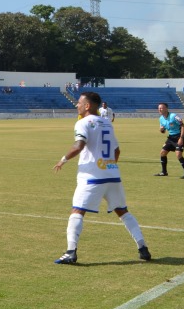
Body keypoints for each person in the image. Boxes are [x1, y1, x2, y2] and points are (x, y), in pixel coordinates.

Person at [52, 91, 151, 265]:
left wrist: (63, 160)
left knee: (77, 212)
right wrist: (108, 166)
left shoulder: (82, 122)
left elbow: (79, 145)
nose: (77, 105)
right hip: (112, 175)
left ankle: (70, 252)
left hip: (92, 177)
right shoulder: (107, 123)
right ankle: (143, 248)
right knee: (123, 212)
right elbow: (117, 151)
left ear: (87, 105)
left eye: (79, 103)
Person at [156, 103, 184, 178]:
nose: (159, 109)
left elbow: (183, 126)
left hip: (179, 136)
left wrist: (181, 138)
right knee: (162, 153)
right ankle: (164, 172)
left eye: (161, 108)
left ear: (166, 109)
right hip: (171, 137)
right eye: (158, 108)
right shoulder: (161, 119)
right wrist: (161, 130)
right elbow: (163, 131)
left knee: (178, 154)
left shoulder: (174, 116)